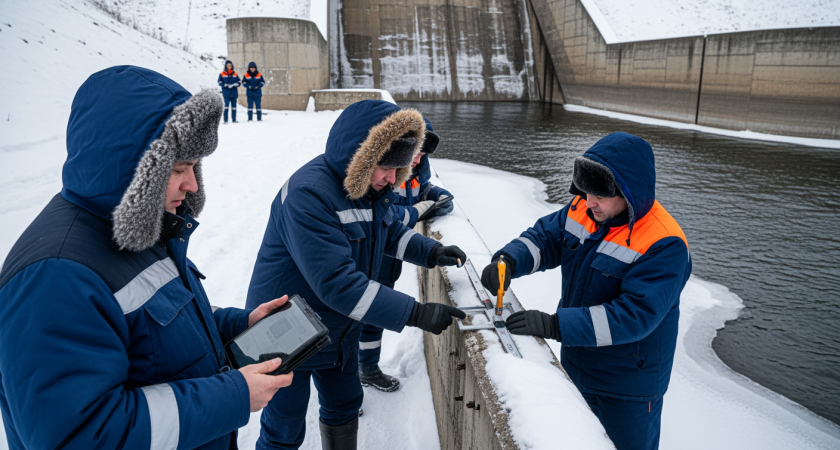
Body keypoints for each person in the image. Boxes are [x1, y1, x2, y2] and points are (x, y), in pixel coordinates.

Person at [0, 66, 293, 450]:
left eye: (194, 168)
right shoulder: (55, 278)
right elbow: (80, 436)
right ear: (136, 170)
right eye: (178, 170)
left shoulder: (138, 226)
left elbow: (158, 332)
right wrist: (233, 396)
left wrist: (238, 326)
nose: (191, 186)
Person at [246, 100, 467, 450]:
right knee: (284, 426)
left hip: (337, 325)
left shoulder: (370, 189)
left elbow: (390, 231)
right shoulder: (310, 194)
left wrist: (432, 252)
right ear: (361, 156)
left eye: (400, 169)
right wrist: (416, 313)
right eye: (386, 168)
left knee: (345, 403)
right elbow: (338, 283)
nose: (392, 179)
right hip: (284, 328)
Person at [481, 132, 691, 450]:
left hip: (627, 388)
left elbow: (634, 316)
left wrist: (555, 325)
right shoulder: (586, 207)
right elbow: (545, 239)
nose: (589, 201)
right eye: (586, 191)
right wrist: (508, 261)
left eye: (600, 195)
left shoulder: (664, 244)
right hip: (576, 365)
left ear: (629, 192)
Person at [358, 120, 454, 392]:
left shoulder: (415, 177)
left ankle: (366, 367)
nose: (419, 159)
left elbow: (434, 195)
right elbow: (387, 219)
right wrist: (418, 211)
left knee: (373, 318)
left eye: (423, 155)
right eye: (416, 153)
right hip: (371, 257)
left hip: (390, 260)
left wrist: (437, 200)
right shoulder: (383, 176)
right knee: (363, 314)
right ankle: (357, 371)